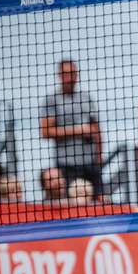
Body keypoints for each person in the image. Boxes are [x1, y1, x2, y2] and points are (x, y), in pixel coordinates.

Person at [39, 59, 104, 197]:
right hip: (66, 165)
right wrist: (80, 131)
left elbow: (96, 129)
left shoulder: (86, 98)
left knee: (98, 202)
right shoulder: (52, 100)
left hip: (90, 163)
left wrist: (99, 158)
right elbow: (46, 132)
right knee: (70, 206)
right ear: (59, 75)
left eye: (73, 73)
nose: (71, 77)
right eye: (67, 73)